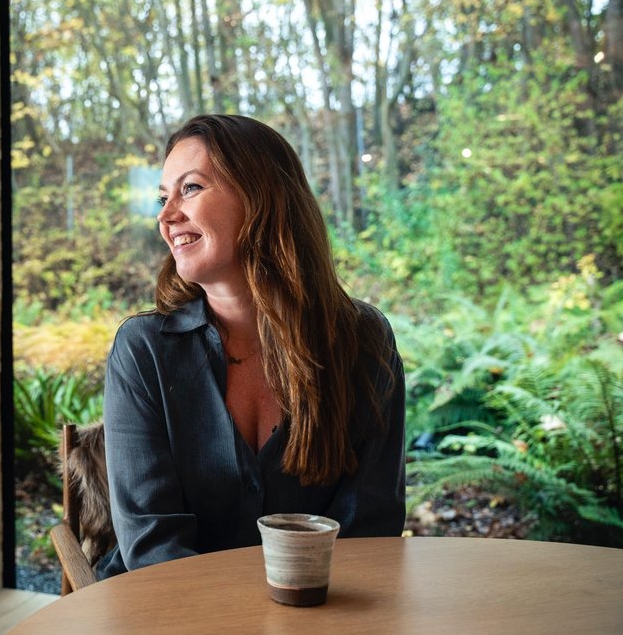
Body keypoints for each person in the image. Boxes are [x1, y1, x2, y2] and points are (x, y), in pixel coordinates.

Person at [96, 114, 406, 579]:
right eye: (163, 197)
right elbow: (153, 548)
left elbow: (370, 529)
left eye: (191, 188)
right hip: (167, 613)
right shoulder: (144, 351)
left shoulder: (364, 341)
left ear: (263, 196)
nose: (165, 216)